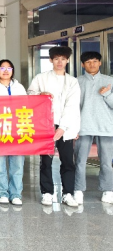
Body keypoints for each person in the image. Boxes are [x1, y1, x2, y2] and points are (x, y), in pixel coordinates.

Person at [28, 46, 80, 207]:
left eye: (63, 59)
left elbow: (72, 106)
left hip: (66, 126)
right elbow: (29, 95)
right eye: (56, 58)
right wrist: (40, 95)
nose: (59, 62)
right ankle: (47, 193)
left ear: (68, 60)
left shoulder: (72, 81)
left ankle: (68, 193)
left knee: (67, 161)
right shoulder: (41, 78)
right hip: (45, 124)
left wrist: (62, 127)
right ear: (51, 60)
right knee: (46, 161)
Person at [0, 60, 28, 205]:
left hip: (17, 130)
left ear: (13, 70)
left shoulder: (19, 88)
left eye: (9, 68)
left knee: (17, 164)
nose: (5, 71)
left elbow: (27, 107)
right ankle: (1, 192)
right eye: (2, 68)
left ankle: (16, 194)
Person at [74, 51, 113, 205]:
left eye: (95, 61)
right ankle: (78, 190)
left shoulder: (109, 81)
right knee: (80, 161)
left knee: (106, 162)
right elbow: (73, 106)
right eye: (88, 62)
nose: (92, 64)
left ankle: (108, 190)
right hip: (83, 126)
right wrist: (73, 127)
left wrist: (107, 94)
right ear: (82, 64)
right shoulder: (77, 82)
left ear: (100, 63)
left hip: (106, 127)